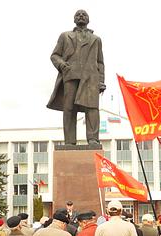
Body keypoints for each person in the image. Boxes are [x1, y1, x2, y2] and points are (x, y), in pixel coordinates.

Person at [47, 9, 105, 145]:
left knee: (92, 108)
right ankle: (69, 141)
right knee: (69, 108)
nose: (81, 16)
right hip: (71, 75)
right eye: (78, 14)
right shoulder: (65, 36)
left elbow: (100, 62)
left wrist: (101, 81)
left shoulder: (96, 39)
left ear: (88, 20)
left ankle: (93, 139)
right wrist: (62, 65)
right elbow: (54, 55)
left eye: (84, 14)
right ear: (74, 19)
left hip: (91, 78)